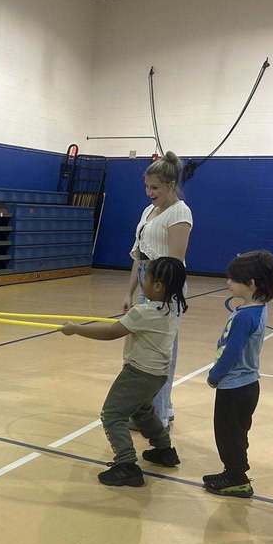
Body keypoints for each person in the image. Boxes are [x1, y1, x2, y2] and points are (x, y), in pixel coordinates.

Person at [62, 257, 187, 488]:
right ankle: (164, 450)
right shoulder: (172, 308)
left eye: (145, 278)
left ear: (158, 286)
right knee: (142, 411)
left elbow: (111, 332)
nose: (142, 282)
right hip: (157, 375)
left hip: (138, 373)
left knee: (112, 414)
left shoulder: (144, 312)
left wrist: (76, 329)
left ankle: (127, 464)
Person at [201, 250, 273, 498]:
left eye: (233, 279)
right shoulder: (257, 308)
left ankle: (237, 479)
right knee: (235, 433)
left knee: (228, 435)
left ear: (251, 284)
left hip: (235, 387)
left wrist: (215, 375)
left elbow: (232, 352)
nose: (228, 283)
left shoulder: (246, 316)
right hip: (245, 386)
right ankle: (234, 471)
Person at [124, 151, 192, 428]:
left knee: (163, 352)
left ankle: (159, 415)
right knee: (143, 351)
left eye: (155, 188)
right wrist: (129, 292)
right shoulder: (148, 211)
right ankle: (152, 408)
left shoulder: (180, 213)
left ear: (171, 185)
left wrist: (161, 297)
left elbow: (175, 262)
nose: (149, 193)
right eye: (147, 187)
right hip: (146, 282)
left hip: (166, 287)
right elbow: (139, 255)